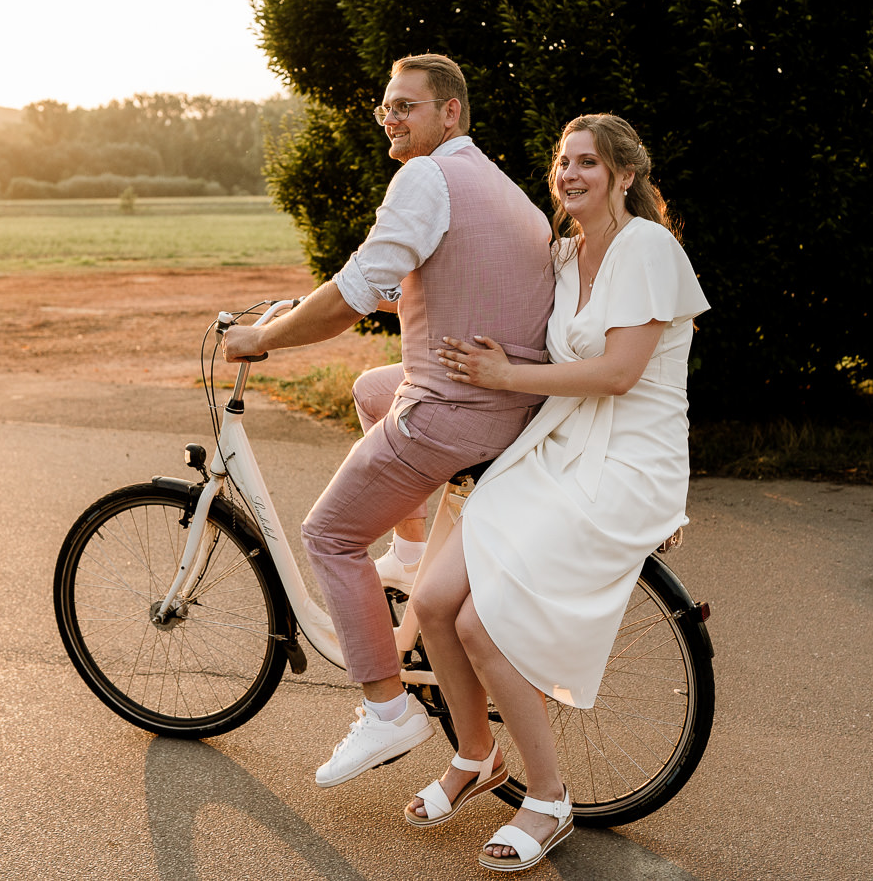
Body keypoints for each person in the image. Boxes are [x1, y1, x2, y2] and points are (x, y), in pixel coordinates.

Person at [221, 53, 555, 788]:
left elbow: (352, 295)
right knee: (373, 387)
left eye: (407, 105)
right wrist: (299, 307)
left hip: (454, 416)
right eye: (386, 107)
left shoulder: (424, 178)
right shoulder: (492, 184)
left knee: (330, 534)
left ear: (450, 113)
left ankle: (386, 707)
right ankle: (407, 557)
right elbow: (409, 279)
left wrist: (263, 336)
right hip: (510, 403)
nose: (392, 119)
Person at [406, 113, 708, 872]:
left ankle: (548, 798)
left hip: (627, 460)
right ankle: (478, 755)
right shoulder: (566, 255)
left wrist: (506, 378)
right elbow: (489, 294)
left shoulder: (649, 249)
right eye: (563, 162)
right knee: (433, 601)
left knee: (485, 622)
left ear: (624, 176)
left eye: (588, 163)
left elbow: (617, 374)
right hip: (558, 447)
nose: (570, 174)